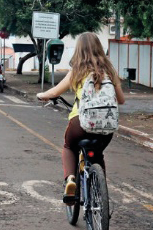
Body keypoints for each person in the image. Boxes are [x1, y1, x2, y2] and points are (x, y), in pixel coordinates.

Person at [36, 32, 125, 204]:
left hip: (80, 122)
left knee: (69, 147)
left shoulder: (77, 71)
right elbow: (120, 100)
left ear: (78, 50)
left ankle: (70, 180)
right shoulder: (110, 71)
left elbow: (54, 92)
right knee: (97, 154)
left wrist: (41, 95)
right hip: (105, 127)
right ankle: (100, 192)